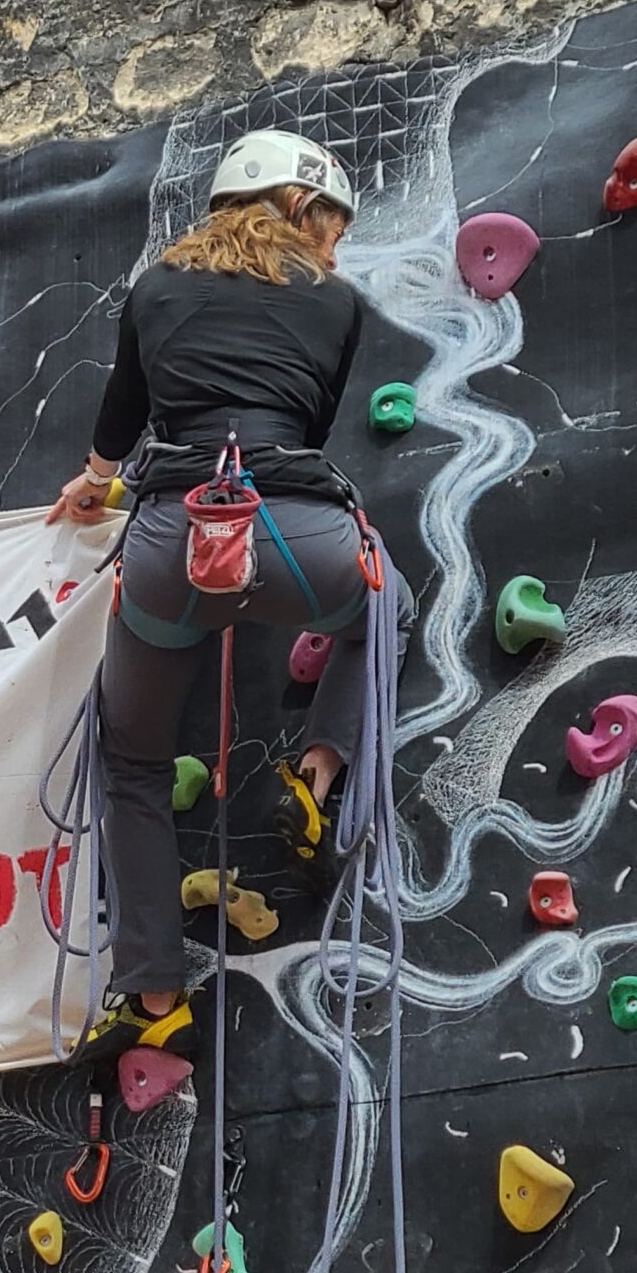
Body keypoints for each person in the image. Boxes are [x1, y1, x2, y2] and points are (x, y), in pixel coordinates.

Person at [48, 129, 406, 1033]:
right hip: (297, 534)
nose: (335, 242)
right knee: (382, 603)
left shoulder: (156, 287)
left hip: (174, 544)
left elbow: (121, 425)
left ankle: (154, 996)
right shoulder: (336, 301)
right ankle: (320, 768)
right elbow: (306, 425)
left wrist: (94, 486)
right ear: (294, 205)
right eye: (329, 220)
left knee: (130, 760)